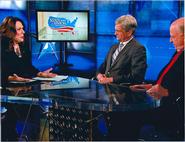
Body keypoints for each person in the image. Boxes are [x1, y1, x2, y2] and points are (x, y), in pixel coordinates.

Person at [130, 17, 184, 140]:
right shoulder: (179, 53)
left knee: (130, 115)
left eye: (173, 37)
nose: (170, 40)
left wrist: (167, 92)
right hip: (164, 105)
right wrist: (150, 86)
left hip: (174, 112)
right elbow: (172, 79)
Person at [0, 16, 57, 86]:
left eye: (23, 28)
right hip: (6, 89)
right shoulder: (2, 47)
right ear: (10, 31)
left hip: (24, 86)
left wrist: (40, 74)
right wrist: (11, 78)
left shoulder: (23, 46)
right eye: (19, 29)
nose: (23, 32)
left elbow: (28, 67)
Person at [96, 14, 147, 84]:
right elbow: (102, 67)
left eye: (118, 31)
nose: (115, 33)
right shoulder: (113, 47)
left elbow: (137, 76)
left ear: (129, 32)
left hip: (123, 91)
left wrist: (111, 79)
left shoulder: (138, 49)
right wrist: (99, 75)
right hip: (108, 90)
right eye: (115, 30)